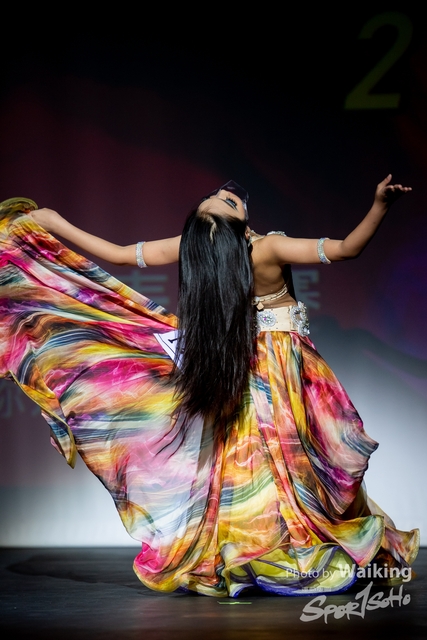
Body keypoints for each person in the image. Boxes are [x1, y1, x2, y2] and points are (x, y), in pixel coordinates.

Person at [0, 176, 419, 597]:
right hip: (282, 374)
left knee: (257, 466)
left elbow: (122, 255)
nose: (225, 194)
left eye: (219, 197)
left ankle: (263, 548)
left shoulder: (200, 247)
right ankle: (291, 549)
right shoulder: (267, 247)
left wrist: (56, 223)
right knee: (289, 464)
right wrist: (380, 205)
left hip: (241, 369)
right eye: (223, 202)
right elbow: (345, 249)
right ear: (236, 227)